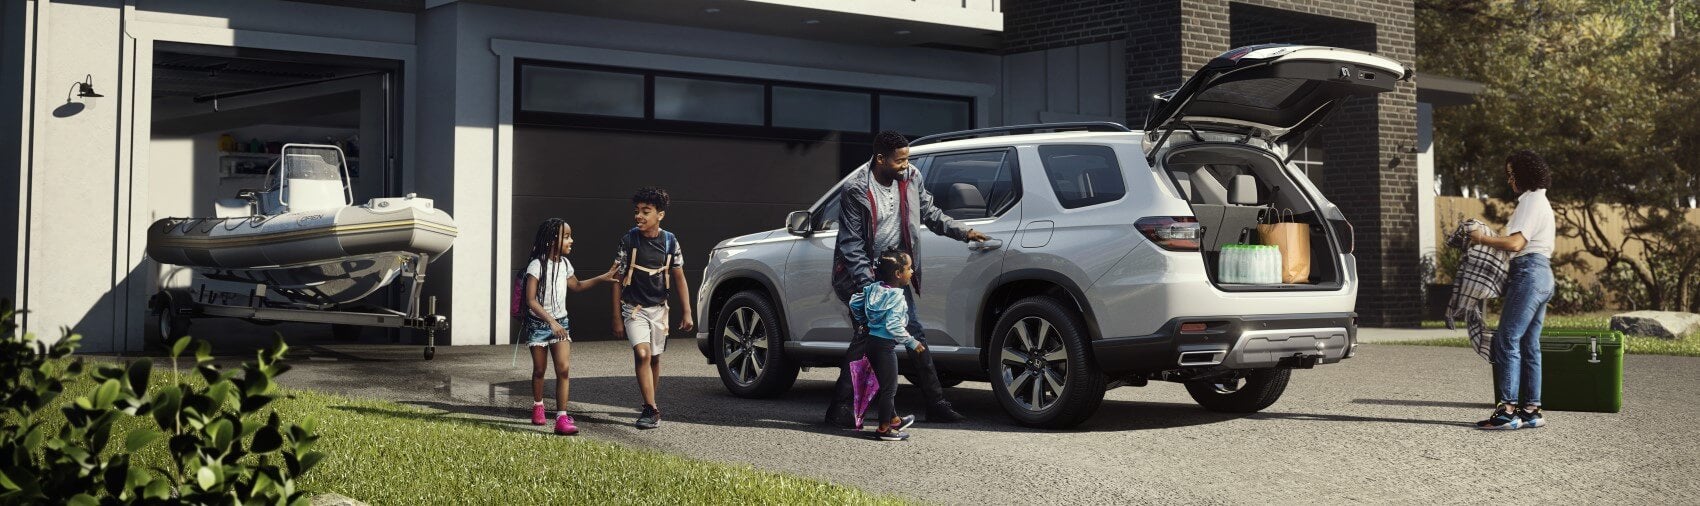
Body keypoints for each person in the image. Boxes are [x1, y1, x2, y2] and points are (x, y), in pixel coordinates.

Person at [825, 130, 991, 427]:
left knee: (914, 333)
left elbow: (929, 212)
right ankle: (840, 407)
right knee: (866, 337)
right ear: (880, 159)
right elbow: (851, 245)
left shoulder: (911, 177)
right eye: (899, 160)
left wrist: (963, 232)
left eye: (907, 159)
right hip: (862, 276)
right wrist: (871, 289)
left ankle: (936, 403)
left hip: (894, 272)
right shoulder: (856, 188)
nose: (905, 165)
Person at [1469, 150, 1555, 430]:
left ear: (1523, 175)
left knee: (1507, 338)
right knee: (1529, 343)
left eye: (1511, 174)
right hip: (1543, 274)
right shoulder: (1542, 201)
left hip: (1529, 274)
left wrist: (1480, 238)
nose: (1509, 180)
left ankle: (1507, 412)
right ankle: (1531, 410)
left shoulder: (1531, 201)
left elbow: (1517, 243)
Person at [520, 218, 617, 435]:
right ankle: (538, 406)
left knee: (563, 369)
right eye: (566, 237)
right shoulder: (537, 265)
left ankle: (562, 417)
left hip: (561, 324)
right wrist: (551, 322)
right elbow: (531, 300)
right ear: (551, 240)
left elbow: (577, 286)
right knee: (539, 370)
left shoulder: (565, 264)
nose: (571, 240)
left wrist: (602, 278)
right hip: (539, 325)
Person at [612, 187, 694, 430]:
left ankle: (650, 403)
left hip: (659, 310)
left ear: (660, 215)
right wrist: (616, 316)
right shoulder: (629, 240)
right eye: (636, 211)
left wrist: (687, 311)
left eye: (645, 211)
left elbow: (679, 277)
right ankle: (650, 408)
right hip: (633, 309)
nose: (639, 216)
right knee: (642, 354)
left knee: (655, 358)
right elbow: (616, 279)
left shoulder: (670, 241)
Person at [852, 250, 925, 441]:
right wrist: (912, 342)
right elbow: (894, 326)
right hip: (885, 348)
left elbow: (854, 303)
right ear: (898, 274)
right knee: (889, 389)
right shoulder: (897, 297)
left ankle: (894, 420)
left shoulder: (874, 289)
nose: (912, 272)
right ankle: (884, 429)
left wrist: (864, 321)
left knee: (884, 385)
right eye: (909, 268)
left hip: (871, 344)